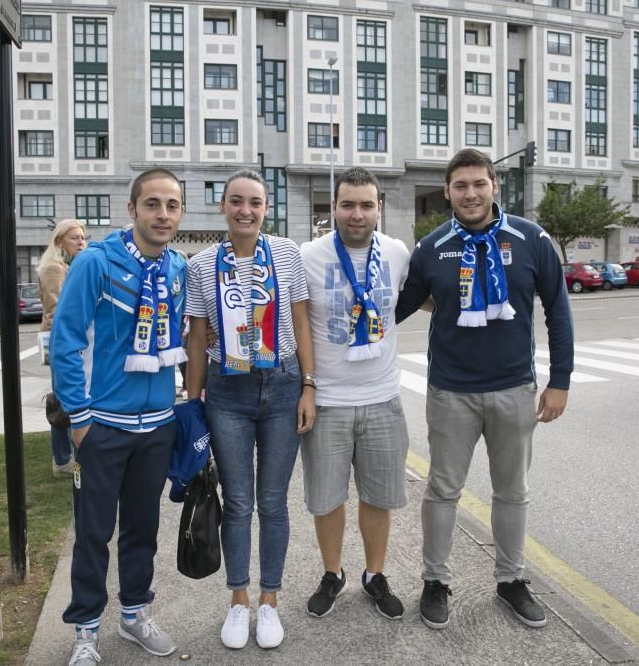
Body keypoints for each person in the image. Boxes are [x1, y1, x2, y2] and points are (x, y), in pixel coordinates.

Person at [395, 149, 574, 630]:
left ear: (495, 186)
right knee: (442, 490)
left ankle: (511, 580)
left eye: (479, 184)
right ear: (448, 192)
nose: (470, 194)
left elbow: (558, 310)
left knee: (512, 492)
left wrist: (560, 382)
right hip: (451, 392)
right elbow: (394, 309)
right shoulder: (431, 247)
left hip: (514, 389)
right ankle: (435, 581)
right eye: (460, 186)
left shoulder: (532, 239)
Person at [51, 169, 187, 665]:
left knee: (142, 529)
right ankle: (85, 629)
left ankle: (134, 614)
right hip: (102, 426)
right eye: (153, 204)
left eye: (172, 206)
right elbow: (65, 340)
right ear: (132, 210)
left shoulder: (177, 268)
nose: (163, 214)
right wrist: (79, 419)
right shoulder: (95, 262)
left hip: (156, 425)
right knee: (92, 533)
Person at [185, 169, 316, 651]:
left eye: (255, 202)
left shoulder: (287, 254)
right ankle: (238, 600)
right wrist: (193, 402)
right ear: (223, 206)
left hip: (282, 386)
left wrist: (308, 385)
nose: (246, 210)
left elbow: (301, 323)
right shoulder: (201, 265)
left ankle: (269, 601)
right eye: (236, 201)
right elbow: (198, 339)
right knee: (238, 502)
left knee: (274, 503)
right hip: (227, 392)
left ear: (266, 208)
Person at [299, 168, 411, 621]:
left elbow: (429, 296)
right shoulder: (308, 256)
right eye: (348, 205)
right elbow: (295, 321)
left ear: (379, 207)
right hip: (327, 400)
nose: (358, 214)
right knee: (327, 499)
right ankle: (332, 573)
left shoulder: (399, 253)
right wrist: (305, 386)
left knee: (379, 496)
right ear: (334, 208)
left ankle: (374, 574)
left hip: (383, 397)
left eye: (367, 205)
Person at [36, 218, 87, 477]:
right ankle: (62, 460)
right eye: (74, 237)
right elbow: (58, 312)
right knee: (63, 401)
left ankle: (65, 456)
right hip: (62, 342)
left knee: (68, 397)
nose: (81, 241)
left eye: (82, 237)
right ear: (59, 242)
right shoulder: (55, 269)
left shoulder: (68, 266)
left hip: (67, 340)